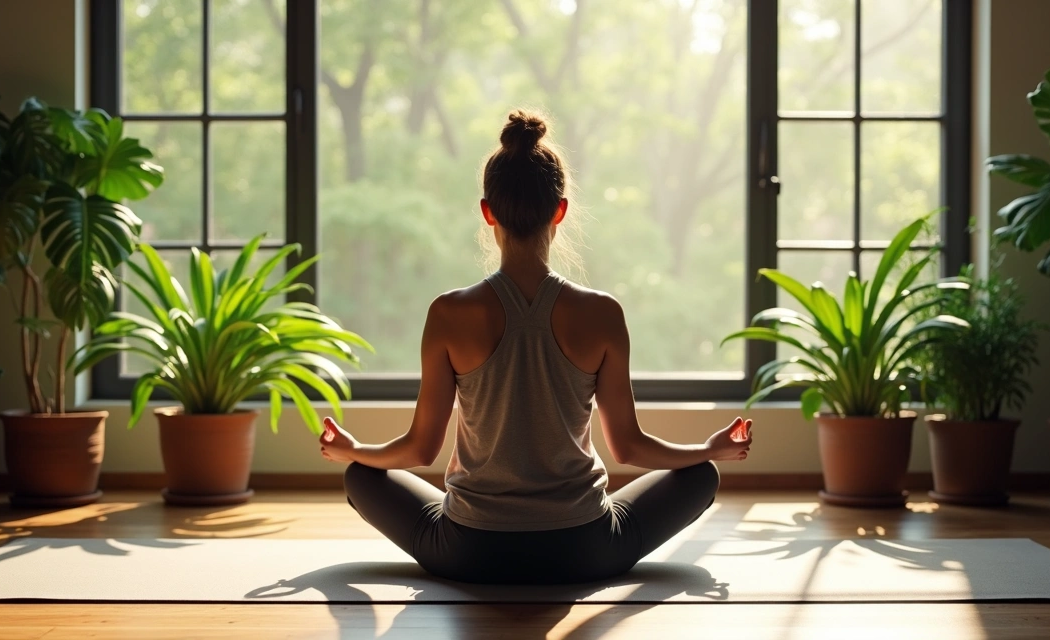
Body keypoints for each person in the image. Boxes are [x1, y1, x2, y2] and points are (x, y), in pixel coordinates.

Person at [319, 109, 753, 585]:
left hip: (469, 551)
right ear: (559, 210)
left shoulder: (447, 313)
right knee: (701, 474)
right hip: (585, 549)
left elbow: (420, 449)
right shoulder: (603, 313)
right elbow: (629, 447)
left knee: (360, 475)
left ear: (488, 212)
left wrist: (356, 449)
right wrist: (707, 448)